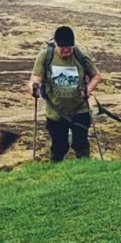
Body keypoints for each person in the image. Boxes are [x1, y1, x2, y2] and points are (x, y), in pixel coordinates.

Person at [28, 26, 103, 161]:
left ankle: (85, 171)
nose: (67, 50)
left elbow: (96, 76)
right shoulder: (45, 55)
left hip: (80, 109)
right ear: (55, 43)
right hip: (55, 112)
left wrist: (89, 89)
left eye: (69, 47)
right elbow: (35, 77)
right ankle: (56, 172)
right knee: (59, 146)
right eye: (63, 47)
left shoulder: (80, 55)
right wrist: (34, 87)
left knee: (81, 143)